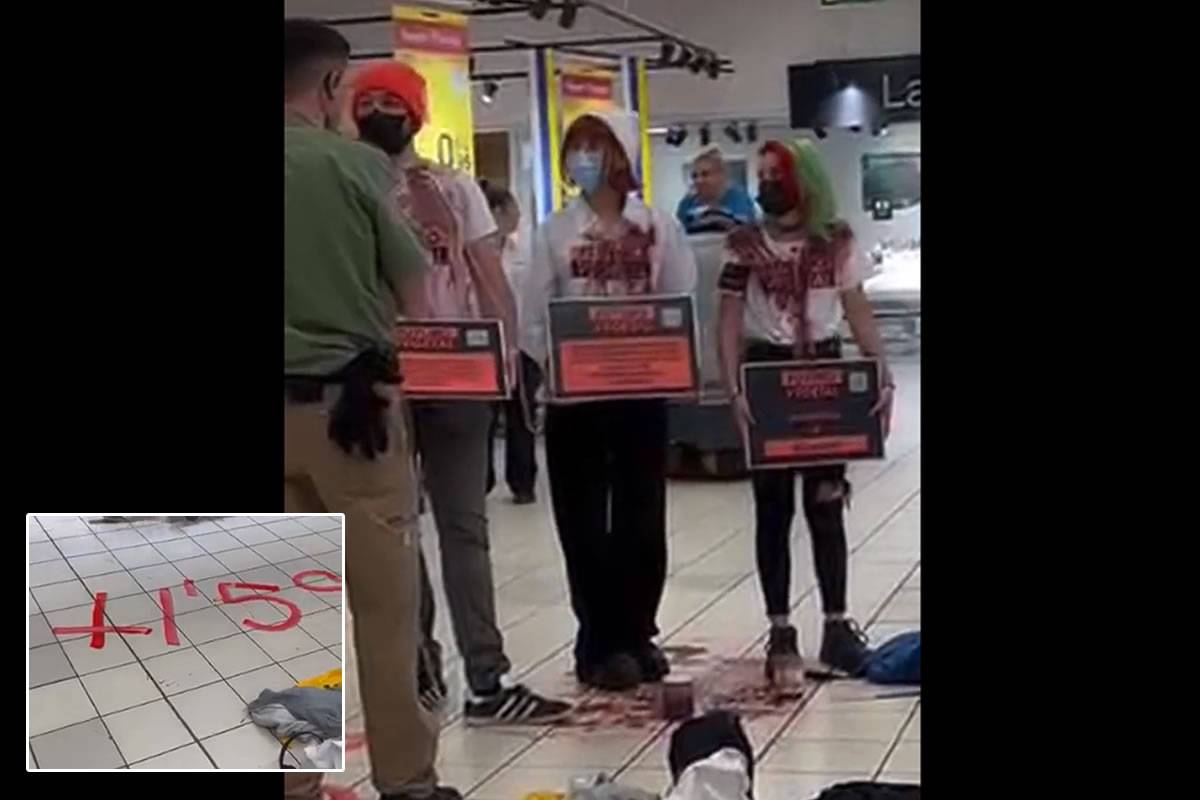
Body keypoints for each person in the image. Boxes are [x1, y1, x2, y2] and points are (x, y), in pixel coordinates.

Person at [350, 61, 570, 725]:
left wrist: (507, 358)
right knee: (396, 531)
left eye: (394, 101)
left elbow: (489, 275)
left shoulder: (456, 189)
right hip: (379, 378)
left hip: (456, 373)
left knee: (464, 529)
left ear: (416, 114)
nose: (382, 111)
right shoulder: (346, 184)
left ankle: (487, 678)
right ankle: (418, 662)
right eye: (371, 100)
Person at [283, 20, 456, 800]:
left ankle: (290, 778)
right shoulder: (354, 168)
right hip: (351, 417)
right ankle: (406, 781)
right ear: (326, 89)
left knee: (277, 606)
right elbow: (417, 294)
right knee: (384, 610)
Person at [524, 109, 698, 691]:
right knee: (582, 521)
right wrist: (560, 365)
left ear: (621, 154)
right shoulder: (555, 231)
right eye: (576, 149)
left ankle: (637, 631)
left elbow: (679, 294)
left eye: (596, 147)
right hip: (575, 400)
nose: (584, 160)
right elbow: (533, 314)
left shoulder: (657, 226)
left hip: (642, 393)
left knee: (642, 516)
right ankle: (595, 641)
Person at [716, 138, 895, 682]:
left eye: (776, 173)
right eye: (761, 173)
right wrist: (732, 390)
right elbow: (725, 321)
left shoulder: (835, 242)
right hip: (767, 374)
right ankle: (779, 628)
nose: (766, 182)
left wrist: (879, 372)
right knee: (772, 511)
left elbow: (856, 309)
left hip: (825, 374)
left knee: (826, 502)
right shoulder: (741, 245)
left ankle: (837, 625)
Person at [480, 180, 542, 505]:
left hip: (522, 346)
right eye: (513, 208)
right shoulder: (475, 253)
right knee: (484, 418)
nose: (518, 216)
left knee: (522, 416)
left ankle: (523, 481)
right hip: (487, 347)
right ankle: (482, 479)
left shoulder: (524, 251)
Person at [675, 147, 758, 234]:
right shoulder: (686, 205)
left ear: (721, 175)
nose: (698, 180)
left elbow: (749, 232)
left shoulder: (740, 200)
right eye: (695, 176)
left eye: (705, 174)